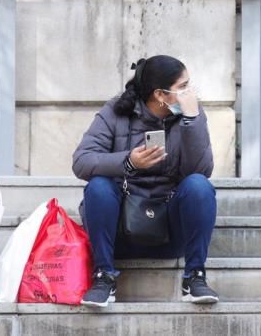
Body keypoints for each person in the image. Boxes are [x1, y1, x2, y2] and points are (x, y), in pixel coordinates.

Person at [72, 55, 218, 307]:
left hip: (170, 231)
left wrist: (192, 120)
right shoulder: (116, 112)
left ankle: (194, 276)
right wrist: (128, 162)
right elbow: (81, 161)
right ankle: (104, 276)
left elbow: (202, 170)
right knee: (98, 186)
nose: (189, 92)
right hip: (121, 232)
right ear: (160, 95)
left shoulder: (190, 113)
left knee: (199, 185)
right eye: (182, 87)